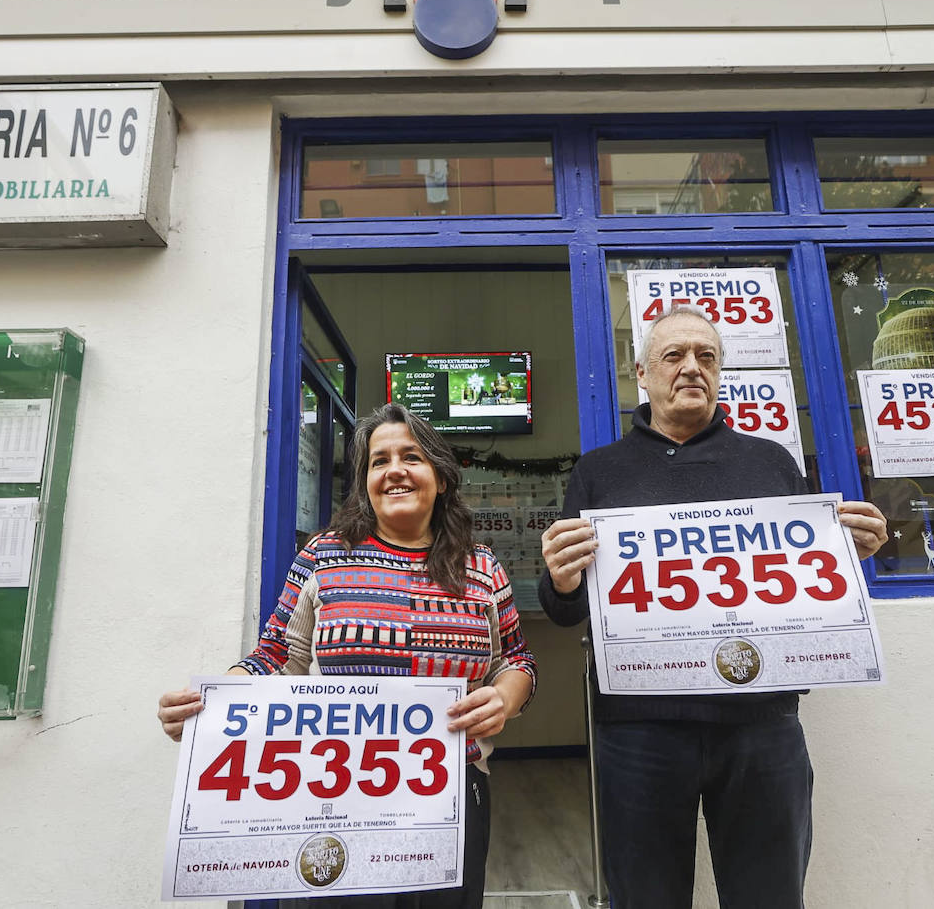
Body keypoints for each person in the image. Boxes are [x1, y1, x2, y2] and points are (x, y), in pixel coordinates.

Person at [538, 305, 887, 909]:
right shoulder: (599, 472)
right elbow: (567, 611)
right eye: (674, 356)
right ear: (642, 375)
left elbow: (802, 587)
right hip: (639, 729)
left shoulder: (772, 462)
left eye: (706, 356)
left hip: (761, 723)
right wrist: (562, 581)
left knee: (770, 895)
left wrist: (849, 553)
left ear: (721, 372)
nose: (691, 368)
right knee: (645, 897)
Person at [158, 403, 537, 909]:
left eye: (412, 457)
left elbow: (516, 661)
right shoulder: (324, 556)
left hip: (448, 797)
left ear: (440, 479)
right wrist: (211, 706)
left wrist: (504, 700)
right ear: (365, 482)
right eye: (379, 461)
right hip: (333, 798)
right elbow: (277, 654)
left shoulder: (481, 567)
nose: (395, 470)